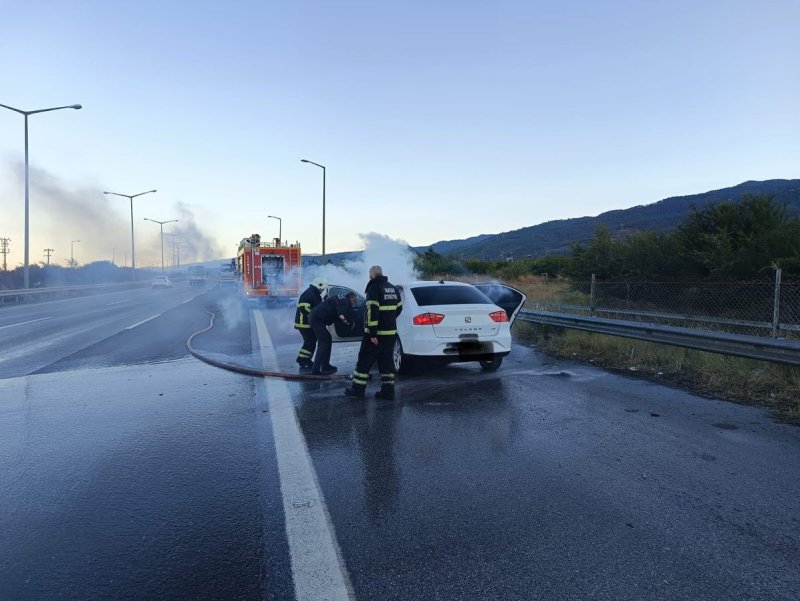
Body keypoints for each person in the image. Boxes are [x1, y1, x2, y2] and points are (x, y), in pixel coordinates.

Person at [345, 265, 403, 400]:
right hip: (390, 334)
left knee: (364, 361)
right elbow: (399, 309)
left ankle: (357, 390)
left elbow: (372, 312)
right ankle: (388, 392)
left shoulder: (374, 288)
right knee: (386, 362)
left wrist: (372, 333)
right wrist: (389, 320)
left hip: (375, 335)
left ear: (371, 276)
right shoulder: (393, 288)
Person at [309, 291, 358, 375]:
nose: (355, 301)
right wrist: (349, 322)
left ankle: (325, 366)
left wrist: (351, 320)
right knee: (323, 343)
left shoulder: (342, 299)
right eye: (355, 299)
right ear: (351, 298)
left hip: (315, 317)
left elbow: (339, 312)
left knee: (327, 339)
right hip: (317, 320)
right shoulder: (345, 302)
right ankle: (315, 370)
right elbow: (341, 314)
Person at [294, 277, 328, 373]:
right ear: (319, 285)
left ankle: (303, 359)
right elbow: (304, 308)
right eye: (322, 288)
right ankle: (303, 360)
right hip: (303, 323)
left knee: (310, 341)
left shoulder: (314, 293)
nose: (322, 290)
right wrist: (314, 315)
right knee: (310, 341)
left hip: (307, 323)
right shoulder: (309, 294)